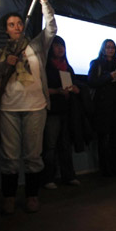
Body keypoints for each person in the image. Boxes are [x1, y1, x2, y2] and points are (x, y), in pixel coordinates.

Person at [0, 0, 55, 214]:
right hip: (9, 108)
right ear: (5, 30)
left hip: (36, 107)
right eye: (11, 25)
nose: (16, 27)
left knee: (33, 155)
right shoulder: (1, 52)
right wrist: (4, 64)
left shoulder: (37, 45)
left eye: (19, 23)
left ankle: (32, 196)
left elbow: (52, 28)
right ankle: (9, 197)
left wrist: (43, 0)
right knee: (9, 157)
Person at [41, 35, 81, 189]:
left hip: (67, 110)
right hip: (52, 111)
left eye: (62, 46)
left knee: (65, 144)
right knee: (50, 145)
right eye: (56, 45)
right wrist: (57, 91)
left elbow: (74, 83)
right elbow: (42, 89)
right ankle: (47, 178)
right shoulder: (46, 66)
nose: (60, 49)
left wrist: (76, 89)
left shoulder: (67, 67)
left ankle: (68, 176)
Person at [87, 39, 116, 176]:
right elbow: (91, 81)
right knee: (104, 138)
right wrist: (108, 76)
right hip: (102, 106)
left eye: (113, 47)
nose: (110, 49)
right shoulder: (96, 63)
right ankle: (105, 169)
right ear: (103, 49)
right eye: (108, 47)